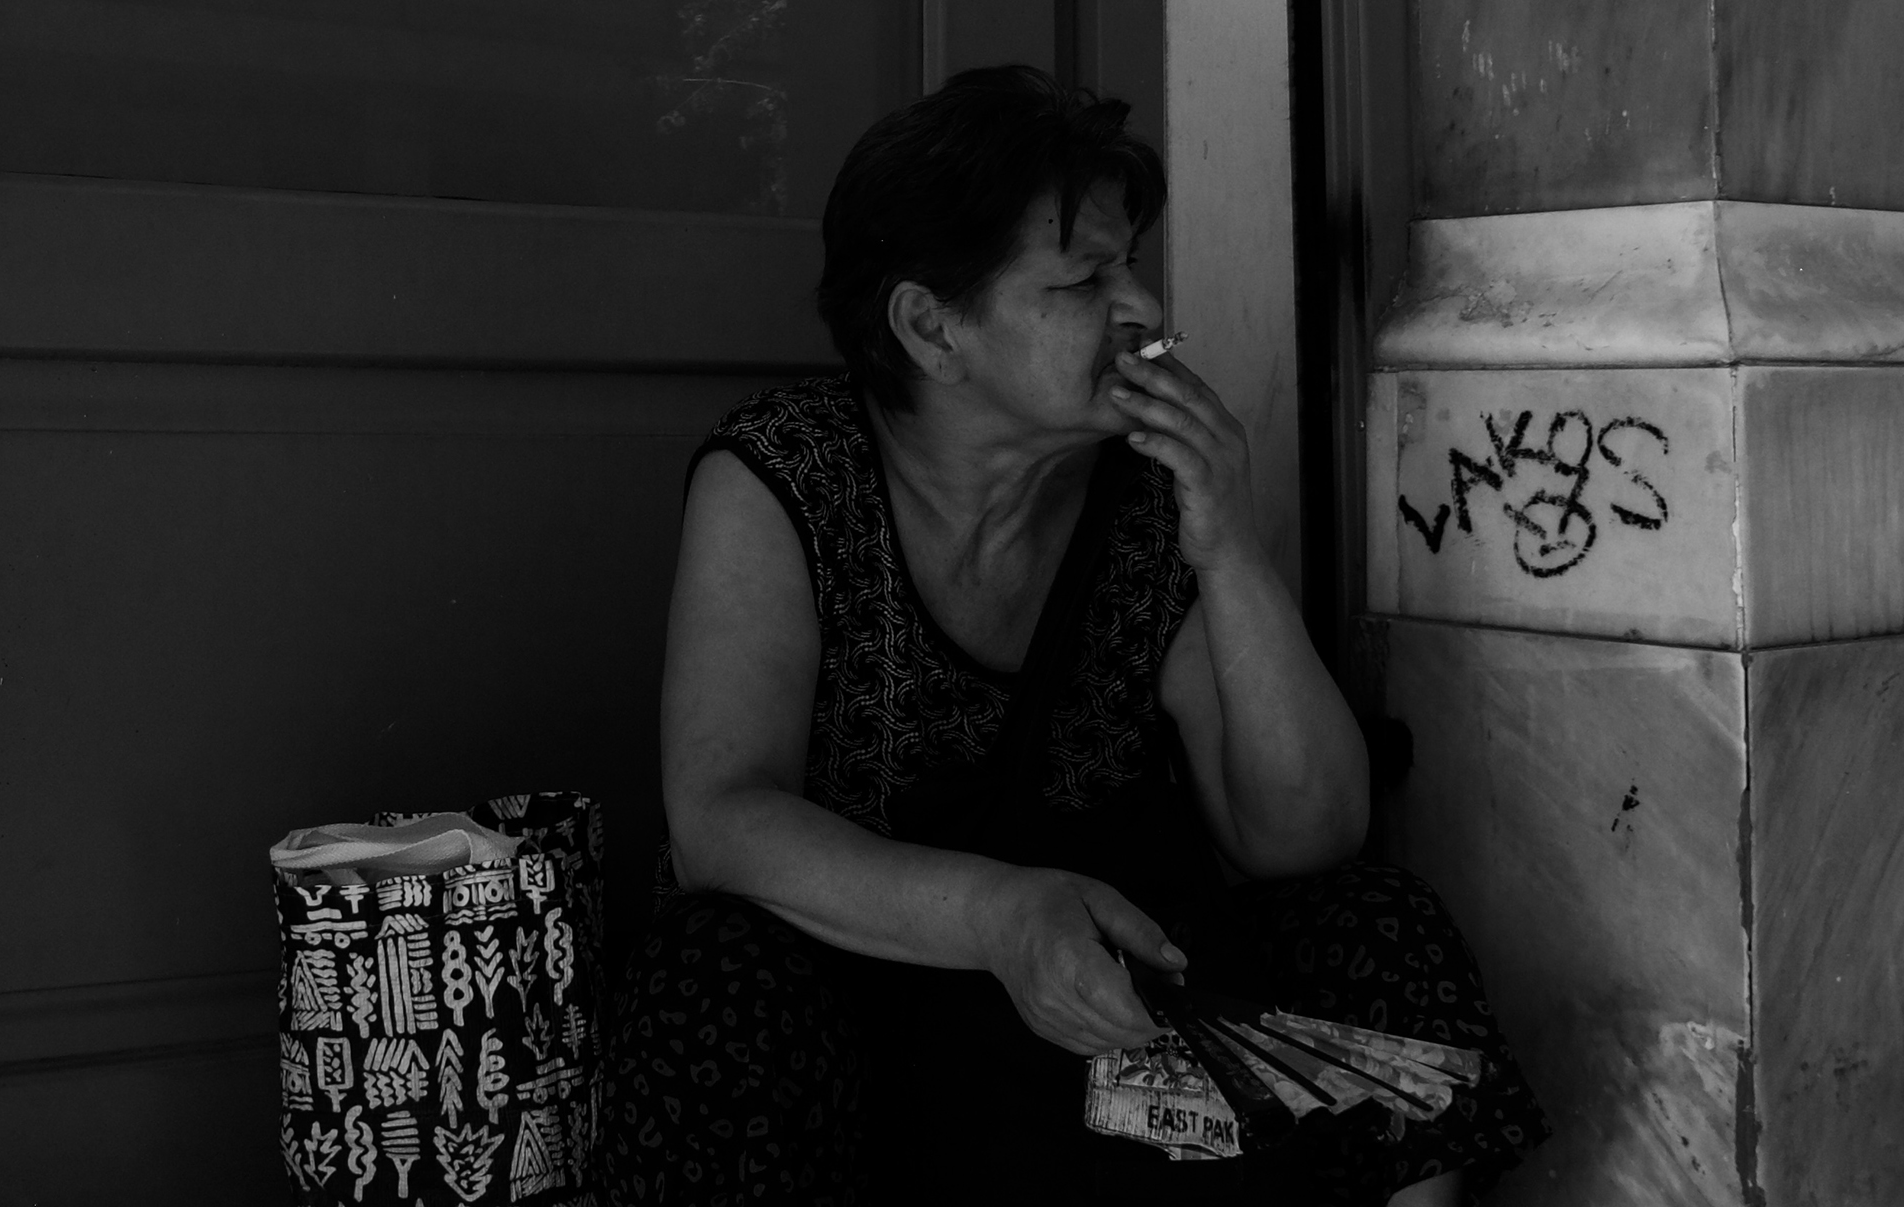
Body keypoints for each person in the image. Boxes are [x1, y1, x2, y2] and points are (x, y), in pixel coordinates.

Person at [602, 68, 1546, 1202]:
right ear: (929, 327)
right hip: (868, 1035)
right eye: (1085, 278)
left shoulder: (1142, 502)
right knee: (708, 977)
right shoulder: (788, 478)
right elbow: (719, 823)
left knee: (1372, 925)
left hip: (1103, 1046)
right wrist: (1000, 915)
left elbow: (1301, 835)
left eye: (1131, 267)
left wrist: (1229, 548)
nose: (1141, 309)